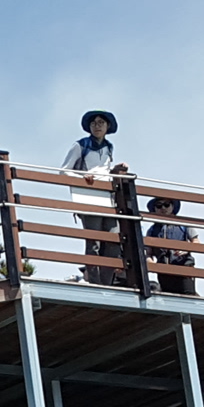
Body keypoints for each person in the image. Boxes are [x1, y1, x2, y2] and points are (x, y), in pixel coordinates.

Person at [64, 112, 128, 284]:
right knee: (94, 243)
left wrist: (116, 170)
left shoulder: (109, 147)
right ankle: (95, 282)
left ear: (108, 126)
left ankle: (107, 283)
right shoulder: (80, 145)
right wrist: (82, 178)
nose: (97, 126)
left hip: (107, 198)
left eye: (101, 122)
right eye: (93, 123)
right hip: (88, 197)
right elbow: (64, 171)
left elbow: (103, 171)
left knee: (113, 240)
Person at [142, 195, 198, 296]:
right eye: (159, 206)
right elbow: (148, 253)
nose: (163, 208)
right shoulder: (152, 230)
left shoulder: (183, 225)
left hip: (184, 265)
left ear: (172, 207)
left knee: (188, 295)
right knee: (169, 296)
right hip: (163, 270)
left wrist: (186, 249)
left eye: (166, 205)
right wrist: (151, 262)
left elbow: (196, 242)